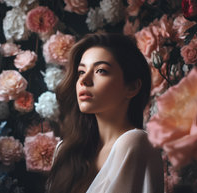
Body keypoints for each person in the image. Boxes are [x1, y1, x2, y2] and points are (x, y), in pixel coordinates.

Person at [47, 33, 163, 193]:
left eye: (101, 70)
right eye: (81, 71)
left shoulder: (134, 142)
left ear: (132, 87)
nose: (84, 80)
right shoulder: (65, 150)